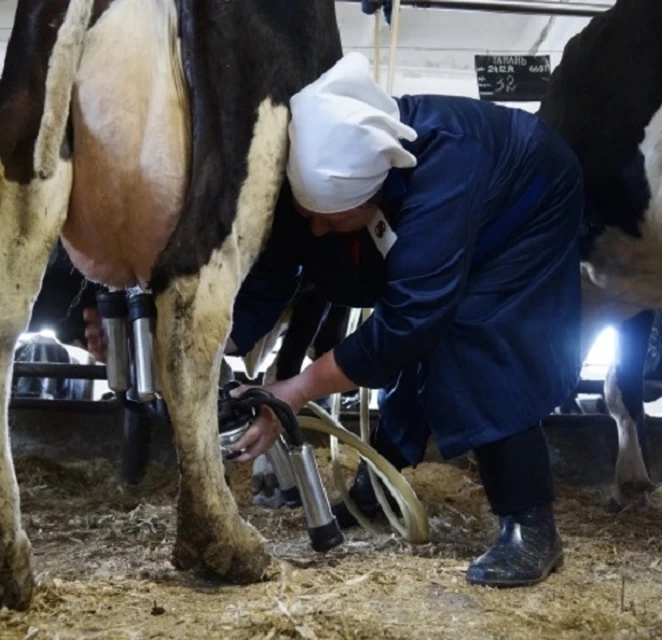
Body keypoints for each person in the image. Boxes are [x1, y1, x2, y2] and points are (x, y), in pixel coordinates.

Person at [86, 51, 584, 588]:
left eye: (332, 218)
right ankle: (381, 486)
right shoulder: (319, 172)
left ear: (374, 191)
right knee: (395, 314)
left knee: (472, 335)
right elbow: (280, 263)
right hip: (430, 221)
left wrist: (298, 388)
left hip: (526, 207)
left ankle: (531, 526)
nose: (318, 230)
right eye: (310, 215)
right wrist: (220, 343)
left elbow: (410, 320)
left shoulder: (444, 175)